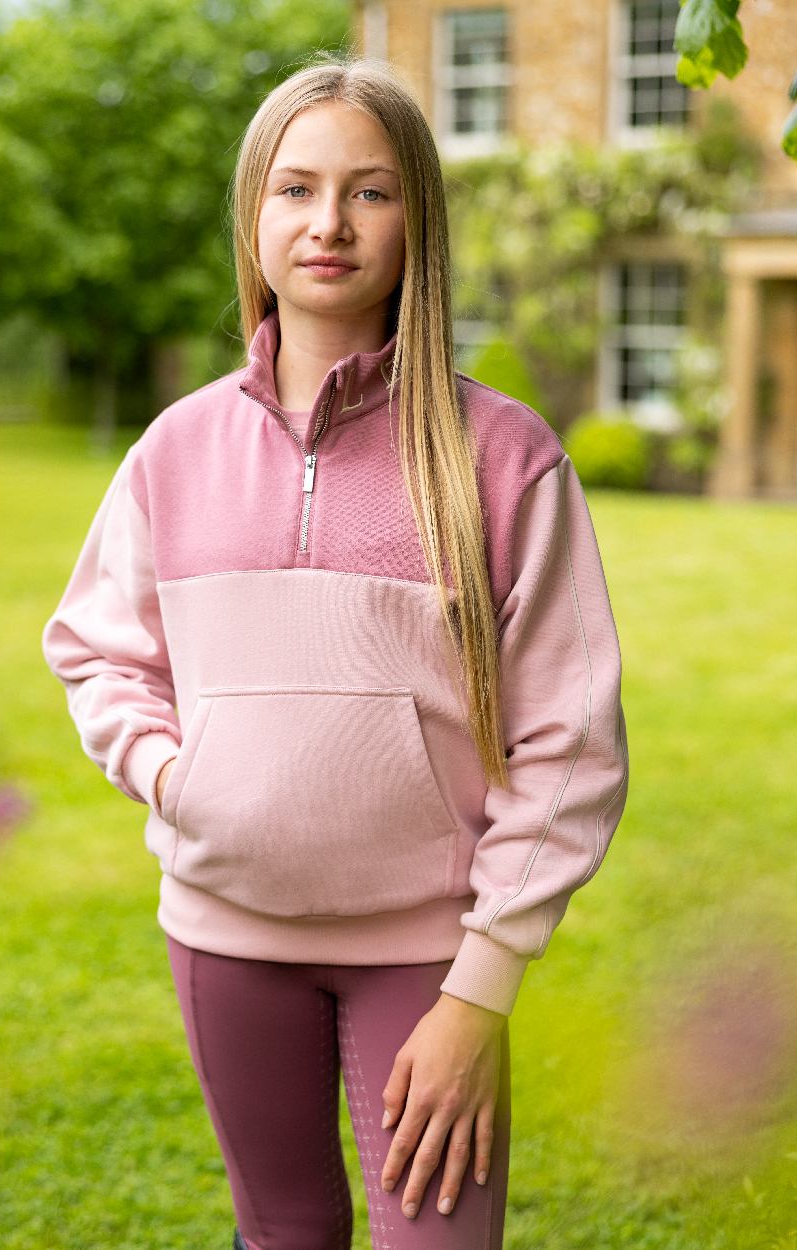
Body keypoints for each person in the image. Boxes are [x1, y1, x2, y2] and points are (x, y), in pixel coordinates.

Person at [41, 52, 630, 1250]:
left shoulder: (506, 459)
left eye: (369, 191)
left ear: (418, 218)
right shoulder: (173, 450)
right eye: (296, 187)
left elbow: (570, 742)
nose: (329, 222)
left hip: (430, 952)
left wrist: (482, 986)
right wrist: (170, 772)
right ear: (253, 212)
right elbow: (98, 650)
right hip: (224, 936)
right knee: (284, 1234)